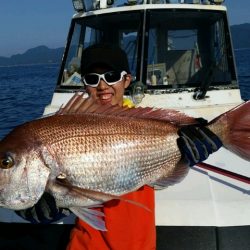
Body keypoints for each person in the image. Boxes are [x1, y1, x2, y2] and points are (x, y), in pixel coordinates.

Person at [16, 44, 222, 250]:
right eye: (92, 79)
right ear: (84, 85)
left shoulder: (147, 124)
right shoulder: (63, 126)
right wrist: (44, 203)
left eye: (111, 76)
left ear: (127, 80)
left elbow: (161, 181)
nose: (103, 85)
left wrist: (186, 153)